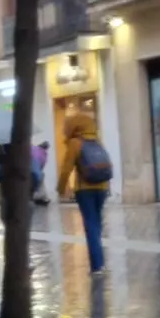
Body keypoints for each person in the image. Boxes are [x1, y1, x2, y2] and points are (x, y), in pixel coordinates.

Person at [57, 113, 111, 275]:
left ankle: (97, 266)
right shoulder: (97, 141)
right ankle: (100, 262)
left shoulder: (75, 143)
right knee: (96, 224)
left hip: (85, 189)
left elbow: (67, 168)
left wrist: (61, 188)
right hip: (102, 187)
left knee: (91, 225)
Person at [32, 141, 52, 205]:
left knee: (38, 185)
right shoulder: (44, 153)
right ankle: (41, 197)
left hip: (30, 170)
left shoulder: (33, 148)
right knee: (40, 185)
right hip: (37, 171)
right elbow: (43, 164)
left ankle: (39, 197)